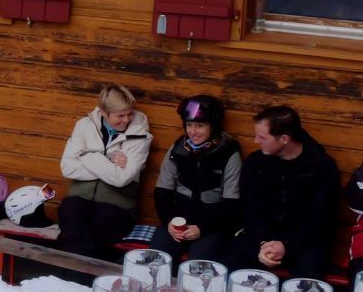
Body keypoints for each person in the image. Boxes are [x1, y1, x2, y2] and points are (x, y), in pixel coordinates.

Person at [208, 104, 342, 279]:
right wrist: (264, 243)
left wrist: (286, 245)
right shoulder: (256, 163)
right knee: (221, 270)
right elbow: (249, 210)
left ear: (284, 139)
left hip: (305, 241)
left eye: (262, 137)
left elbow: (323, 218)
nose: (256, 141)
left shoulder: (321, 166)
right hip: (260, 237)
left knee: (306, 282)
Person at [54, 84, 152, 260]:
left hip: (118, 205)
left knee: (96, 230)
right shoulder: (84, 126)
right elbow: (67, 168)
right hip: (78, 198)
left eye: (129, 113)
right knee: (72, 218)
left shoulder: (141, 135)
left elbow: (122, 179)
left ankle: (68, 275)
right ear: (104, 113)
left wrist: (87, 156)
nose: (126, 120)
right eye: (120, 115)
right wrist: (106, 159)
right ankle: (79, 274)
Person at [154, 93, 242, 261]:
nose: (192, 132)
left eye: (200, 126)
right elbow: (162, 191)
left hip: (212, 224)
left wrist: (202, 228)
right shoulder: (179, 148)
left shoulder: (229, 151)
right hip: (179, 219)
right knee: (157, 257)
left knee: (198, 263)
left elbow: (232, 204)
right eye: (189, 125)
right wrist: (168, 222)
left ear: (213, 126)